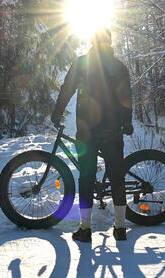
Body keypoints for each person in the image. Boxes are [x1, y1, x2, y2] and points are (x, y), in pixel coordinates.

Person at [51, 27, 133, 242]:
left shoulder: (81, 63)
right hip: (113, 130)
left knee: (86, 177)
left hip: (87, 131)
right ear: (110, 42)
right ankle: (120, 227)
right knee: (117, 176)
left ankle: (85, 229)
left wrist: (57, 112)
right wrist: (128, 122)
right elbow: (126, 97)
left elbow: (66, 89)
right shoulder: (119, 67)